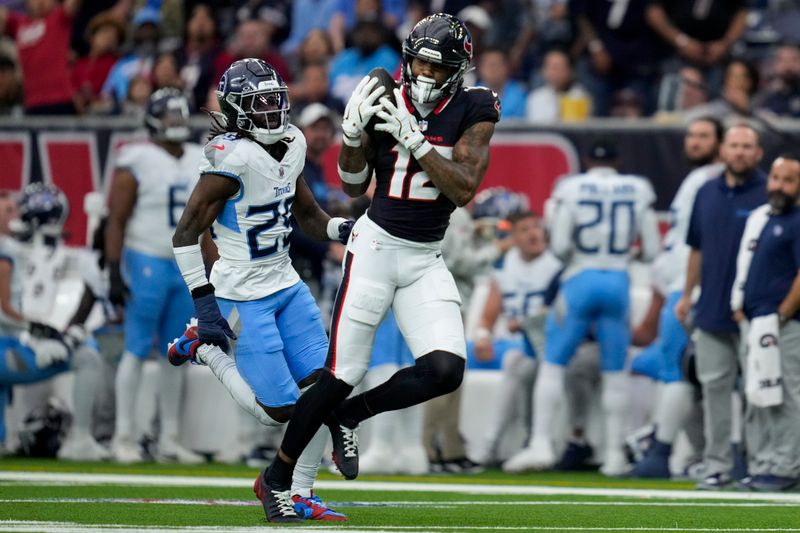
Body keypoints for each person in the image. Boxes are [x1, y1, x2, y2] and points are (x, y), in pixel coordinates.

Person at [257, 12, 500, 522]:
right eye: (419, 65)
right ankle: (276, 477)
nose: (426, 77)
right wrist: (351, 135)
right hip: (376, 246)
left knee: (444, 370)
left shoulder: (476, 106)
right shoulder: (384, 89)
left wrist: (415, 144)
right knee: (341, 373)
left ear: (458, 71)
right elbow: (351, 184)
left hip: (425, 256)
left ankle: (350, 417)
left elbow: (462, 188)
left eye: (438, 69)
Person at [168, 58, 353, 523]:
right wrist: (203, 302)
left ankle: (303, 491)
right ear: (235, 110)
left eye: (275, 101)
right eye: (259, 104)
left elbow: (307, 214)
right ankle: (204, 348)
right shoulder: (228, 158)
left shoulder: (293, 142)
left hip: (286, 283)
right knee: (277, 412)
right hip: (242, 293)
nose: (271, 112)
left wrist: (342, 229)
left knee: (324, 389)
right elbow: (186, 233)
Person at [507, 139, 660, 476]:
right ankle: (615, 454)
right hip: (618, 279)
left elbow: (559, 246)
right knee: (615, 372)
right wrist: (623, 257)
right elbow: (651, 249)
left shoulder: (571, 187)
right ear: (617, 162)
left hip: (580, 278)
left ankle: (541, 443)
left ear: (588, 161)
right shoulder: (637, 188)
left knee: (552, 364)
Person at [105, 88, 203, 464]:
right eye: (169, 117)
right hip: (146, 257)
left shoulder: (199, 157)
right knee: (135, 347)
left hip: (186, 262)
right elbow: (115, 220)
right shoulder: (137, 159)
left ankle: (169, 438)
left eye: (180, 115)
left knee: (176, 353)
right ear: (152, 121)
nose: (176, 123)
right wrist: (114, 271)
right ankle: (124, 436)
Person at [629, 116, 725, 478]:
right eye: (693, 136)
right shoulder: (697, 180)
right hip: (680, 290)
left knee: (680, 375)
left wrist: (688, 289)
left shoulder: (713, 182)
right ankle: (697, 453)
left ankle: (661, 452)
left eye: (705, 136)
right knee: (689, 378)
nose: (696, 142)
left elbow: (699, 246)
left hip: (691, 292)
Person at [675, 123, 768, 490]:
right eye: (735, 145)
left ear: (758, 153)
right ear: (724, 150)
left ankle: (760, 463)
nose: (741, 152)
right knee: (714, 390)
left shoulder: (771, 193)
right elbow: (696, 248)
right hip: (712, 307)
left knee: (759, 392)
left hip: (756, 311)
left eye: (748, 146)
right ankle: (717, 464)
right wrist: (687, 293)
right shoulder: (706, 191)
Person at [0, 185, 106, 460]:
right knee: (87, 356)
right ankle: (80, 439)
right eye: (9, 209)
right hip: (6, 348)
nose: (17, 214)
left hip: (10, 343)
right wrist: (35, 333)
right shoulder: (8, 253)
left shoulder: (15, 249)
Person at [731, 154, 800, 492]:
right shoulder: (766, 219)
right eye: (775, 178)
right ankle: (763, 465)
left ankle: (786, 467)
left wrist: (784, 314)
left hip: (784, 324)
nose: (779, 186)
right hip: (759, 322)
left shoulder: (798, 221)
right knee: (759, 393)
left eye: (788, 180)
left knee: (786, 394)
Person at [472, 211, 562, 467]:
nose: (534, 234)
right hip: (523, 345)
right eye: (525, 229)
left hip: (551, 345)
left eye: (537, 227)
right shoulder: (505, 265)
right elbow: (489, 315)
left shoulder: (557, 265)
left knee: (516, 362)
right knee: (513, 359)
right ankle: (501, 442)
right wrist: (482, 337)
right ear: (512, 237)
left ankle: (492, 443)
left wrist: (525, 322)